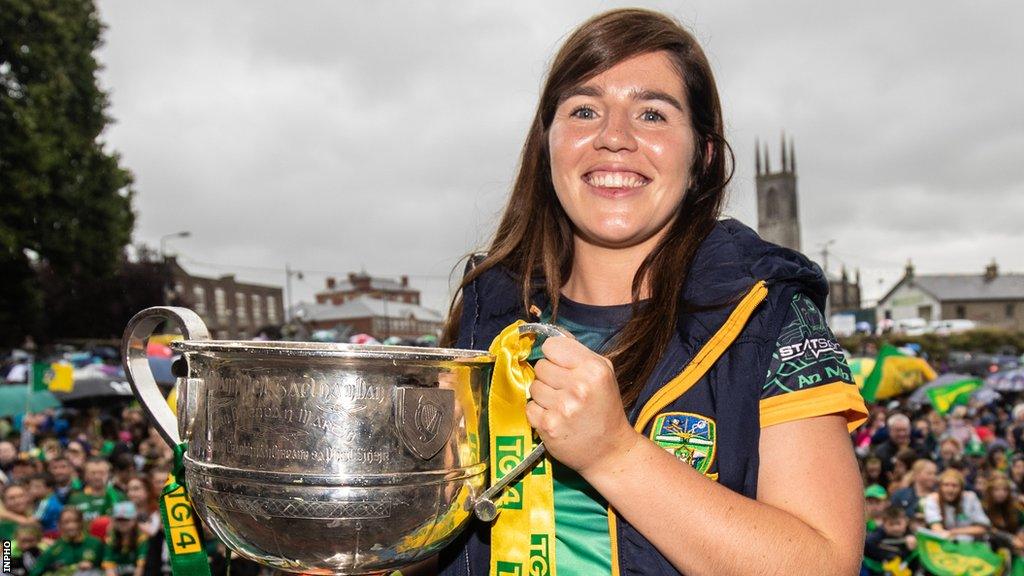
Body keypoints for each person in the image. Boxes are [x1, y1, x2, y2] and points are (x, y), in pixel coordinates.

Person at [436, 8, 868, 575]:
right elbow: (437, 537)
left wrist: (614, 452)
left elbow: (824, 565)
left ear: (702, 157)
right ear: (548, 145)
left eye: (653, 114)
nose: (614, 138)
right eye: (585, 110)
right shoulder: (484, 308)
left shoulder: (770, 313)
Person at [29, 506, 104, 576]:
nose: (71, 526)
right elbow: (35, 572)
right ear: (59, 525)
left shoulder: (95, 543)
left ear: (81, 522)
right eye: (66, 522)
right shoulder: (55, 549)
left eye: (75, 521)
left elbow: (108, 566)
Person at [922, 468, 990, 541]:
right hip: (944, 541)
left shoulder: (970, 498)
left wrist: (954, 532)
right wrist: (948, 535)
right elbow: (936, 527)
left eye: (954, 485)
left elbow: (982, 528)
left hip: (970, 542)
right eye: (946, 485)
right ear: (940, 487)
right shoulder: (932, 499)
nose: (950, 490)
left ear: (961, 488)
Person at [863, 505, 918, 576]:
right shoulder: (878, 534)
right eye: (891, 524)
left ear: (906, 522)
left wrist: (912, 547)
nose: (895, 528)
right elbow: (868, 545)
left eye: (898, 523)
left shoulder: (911, 535)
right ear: (884, 524)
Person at [101, 501, 147, 576]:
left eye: (126, 519)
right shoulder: (110, 539)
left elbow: (140, 567)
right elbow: (108, 568)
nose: (122, 523)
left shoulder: (142, 538)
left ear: (134, 520)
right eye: (119, 519)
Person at [890, 459, 937, 524]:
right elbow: (892, 517)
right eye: (929, 473)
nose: (933, 477)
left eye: (935, 474)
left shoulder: (938, 496)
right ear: (916, 474)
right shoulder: (900, 495)